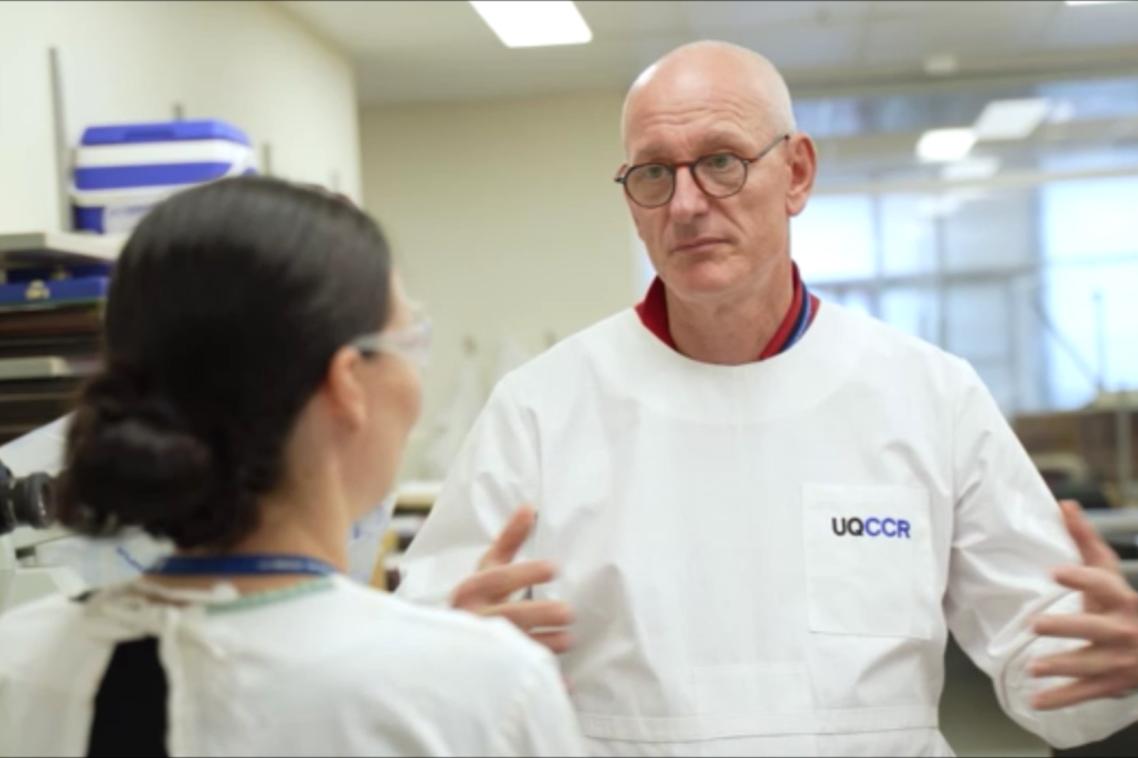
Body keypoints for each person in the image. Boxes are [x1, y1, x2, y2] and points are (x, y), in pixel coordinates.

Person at [396, 41, 1138, 755]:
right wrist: (448, 661)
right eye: (653, 173)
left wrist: (1118, 665)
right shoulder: (540, 410)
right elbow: (431, 662)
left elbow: (1059, 679)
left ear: (798, 173)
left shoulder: (928, 395)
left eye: (720, 161)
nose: (686, 204)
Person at [0, 177, 585, 757]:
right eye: (411, 343)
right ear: (348, 384)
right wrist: (452, 665)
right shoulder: (491, 693)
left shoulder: (18, 664)